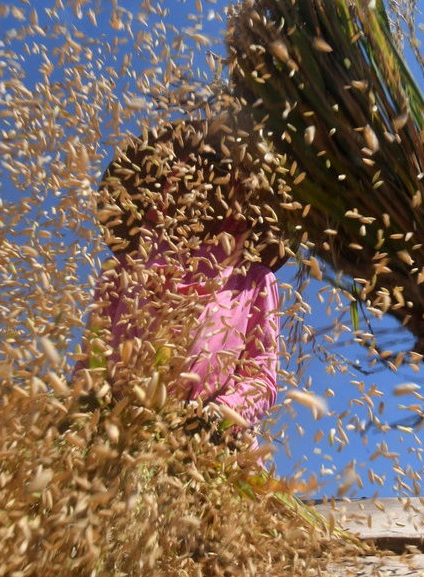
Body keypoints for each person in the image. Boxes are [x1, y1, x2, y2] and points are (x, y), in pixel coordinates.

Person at [75, 93, 288, 439]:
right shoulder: (122, 271)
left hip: (203, 447)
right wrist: (92, 409)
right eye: (191, 172)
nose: (203, 186)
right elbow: (91, 362)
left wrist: (216, 415)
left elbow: (260, 376)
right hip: (115, 434)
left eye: (219, 176)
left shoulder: (252, 281)